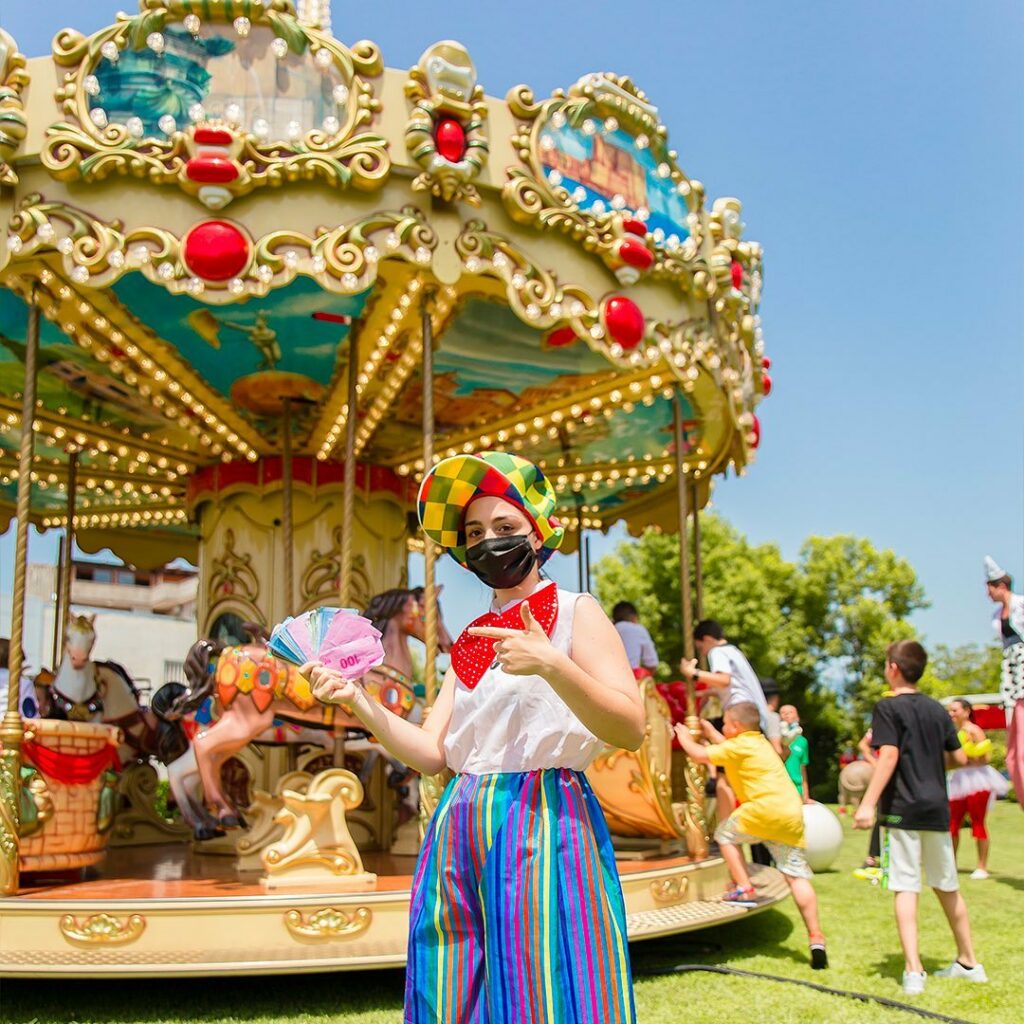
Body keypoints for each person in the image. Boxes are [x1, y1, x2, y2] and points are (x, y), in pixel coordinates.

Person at [304, 451, 642, 1024]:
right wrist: (357, 701)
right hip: (462, 817)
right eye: (475, 533)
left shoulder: (575, 612)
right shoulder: (470, 642)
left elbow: (630, 727)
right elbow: (432, 753)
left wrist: (552, 664)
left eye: (506, 528)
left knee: (543, 978)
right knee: (450, 974)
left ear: (538, 533)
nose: (490, 541)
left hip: (545, 813)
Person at [854, 641, 986, 995]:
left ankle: (914, 971)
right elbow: (958, 759)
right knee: (947, 885)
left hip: (903, 809)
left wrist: (867, 804)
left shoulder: (886, 707)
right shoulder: (937, 709)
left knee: (905, 886)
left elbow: (889, 755)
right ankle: (970, 962)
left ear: (893, 669)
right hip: (936, 808)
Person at [675, 701, 828, 970]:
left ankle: (744, 886)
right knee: (796, 875)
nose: (723, 727)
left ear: (735, 726)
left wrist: (684, 737)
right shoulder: (757, 743)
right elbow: (726, 748)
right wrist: (712, 731)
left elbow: (699, 755)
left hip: (763, 812)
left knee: (724, 835)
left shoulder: (739, 745)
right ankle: (816, 938)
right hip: (790, 815)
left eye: (725, 723)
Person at [947, 698, 1009, 879]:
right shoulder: (954, 732)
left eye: (955, 710)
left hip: (976, 780)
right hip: (959, 779)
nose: (951, 714)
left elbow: (986, 757)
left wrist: (967, 757)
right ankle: (951, 863)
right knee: (952, 823)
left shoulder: (974, 730)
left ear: (966, 711)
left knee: (978, 822)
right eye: (950, 711)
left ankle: (982, 866)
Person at [984, 556, 1024, 809]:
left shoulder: (1021, 605)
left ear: (1000, 586)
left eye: (989, 588)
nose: (987, 594)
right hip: (1012, 677)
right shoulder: (997, 616)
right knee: (1014, 751)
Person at [611, 601, 659, 676]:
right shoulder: (639, 629)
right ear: (634, 617)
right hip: (631, 677)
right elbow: (652, 663)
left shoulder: (608, 629)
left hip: (605, 679)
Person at [781, 704, 811, 803]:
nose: (787, 715)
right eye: (783, 713)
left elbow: (803, 769)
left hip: (797, 790)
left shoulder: (802, 741)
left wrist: (805, 795)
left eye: (790, 712)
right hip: (779, 788)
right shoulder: (775, 739)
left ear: (797, 717)